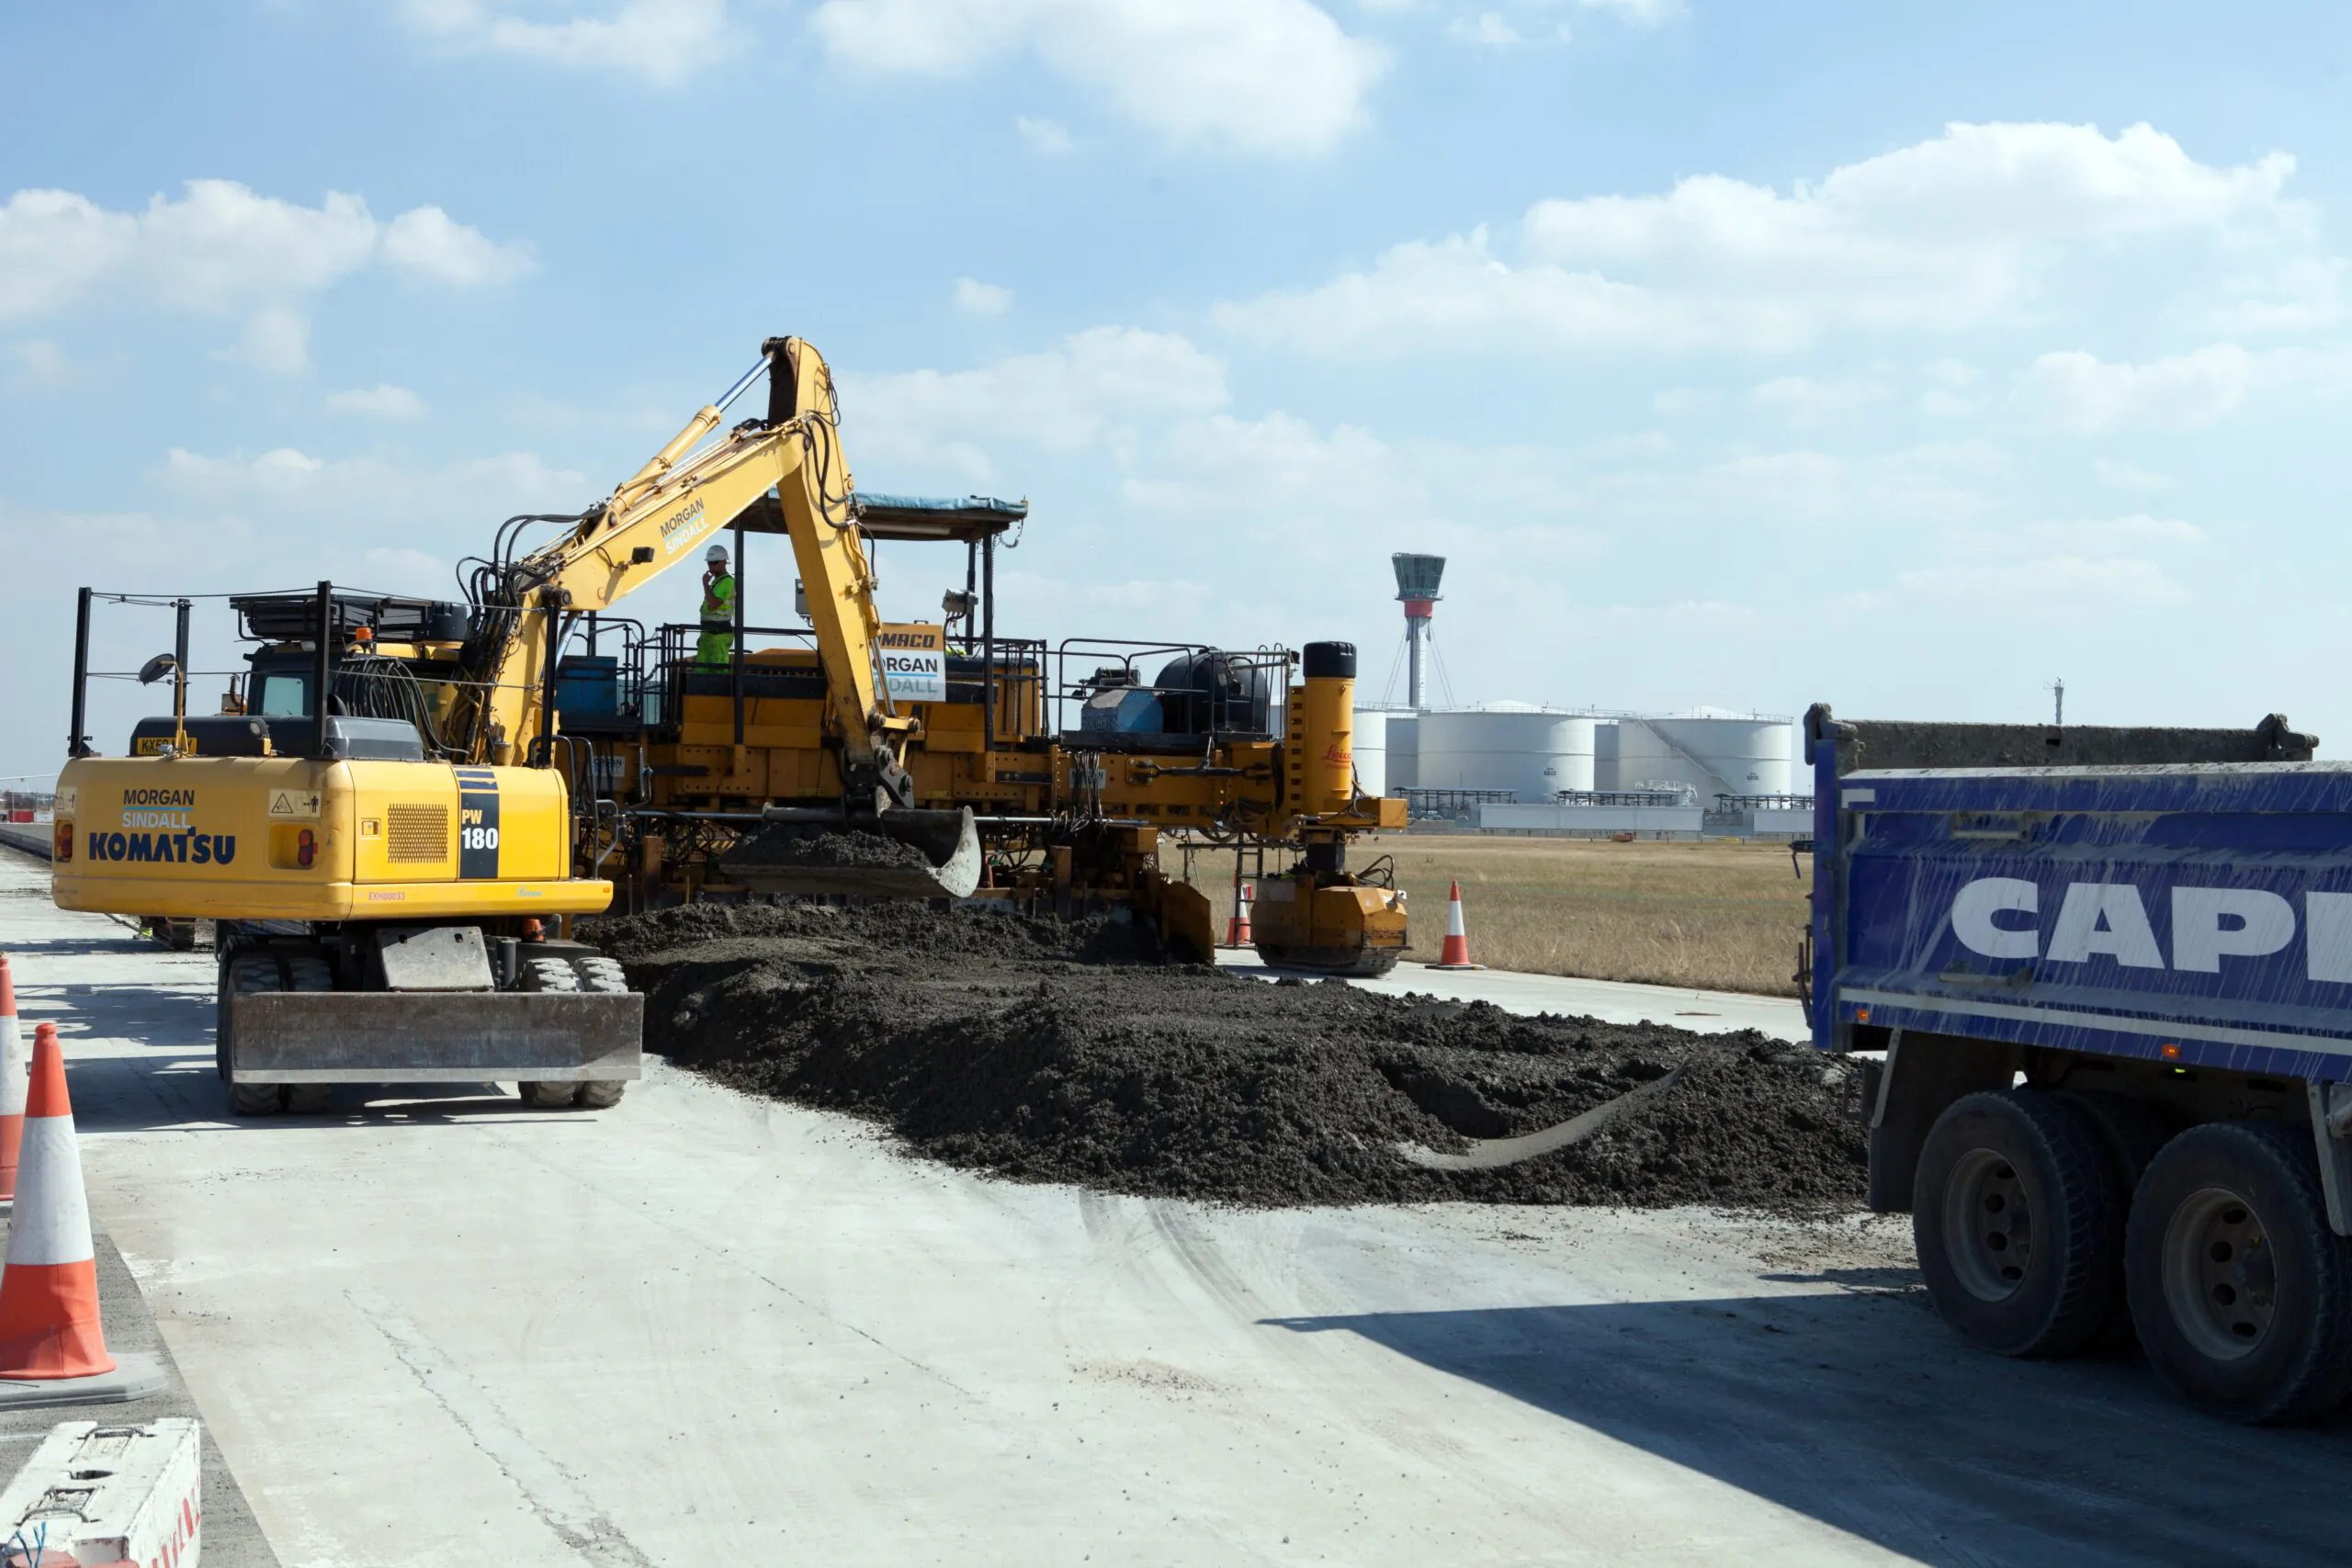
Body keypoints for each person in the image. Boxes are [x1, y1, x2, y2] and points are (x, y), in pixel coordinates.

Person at [695, 543, 736, 668]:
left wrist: (705, 584)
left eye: (714, 562)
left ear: (724, 562)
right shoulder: (716, 582)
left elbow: (713, 604)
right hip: (709, 632)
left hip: (719, 634)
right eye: (709, 563)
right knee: (702, 668)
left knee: (718, 668)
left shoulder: (727, 582)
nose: (711, 566)